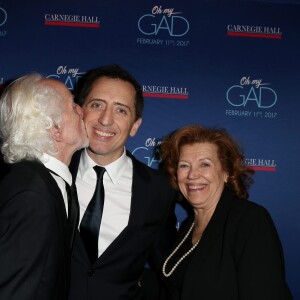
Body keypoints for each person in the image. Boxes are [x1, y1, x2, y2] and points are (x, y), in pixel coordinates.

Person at [68, 64, 177, 300]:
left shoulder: (159, 190)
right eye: (97, 105)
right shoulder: (50, 173)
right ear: (79, 111)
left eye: (121, 110)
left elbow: (168, 270)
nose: (105, 120)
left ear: (135, 125)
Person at [159, 124, 293, 300]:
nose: (192, 175)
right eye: (184, 165)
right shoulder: (188, 227)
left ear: (226, 172)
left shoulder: (249, 220)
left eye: (204, 164)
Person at [0, 73, 89, 300]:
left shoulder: (44, 182)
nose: (82, 110)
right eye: (72, 105)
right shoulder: (32, 194)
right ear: (55, 130)